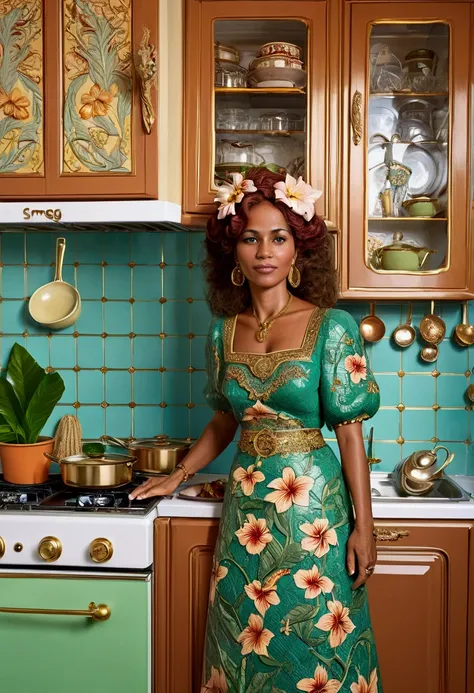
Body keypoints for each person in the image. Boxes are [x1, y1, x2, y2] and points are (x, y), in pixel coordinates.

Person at [130, 168, 382, 692]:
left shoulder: (332, 326)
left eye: (279, 237)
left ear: (298, 252)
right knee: (245, 640)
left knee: (318, 636)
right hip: (247, 511)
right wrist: (178, 474)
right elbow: (225, 419)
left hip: (316, 513)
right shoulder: (223, 333)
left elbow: (350, 432)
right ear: (235, 254)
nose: (265, 250)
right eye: (251, 238)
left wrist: (365, 525)